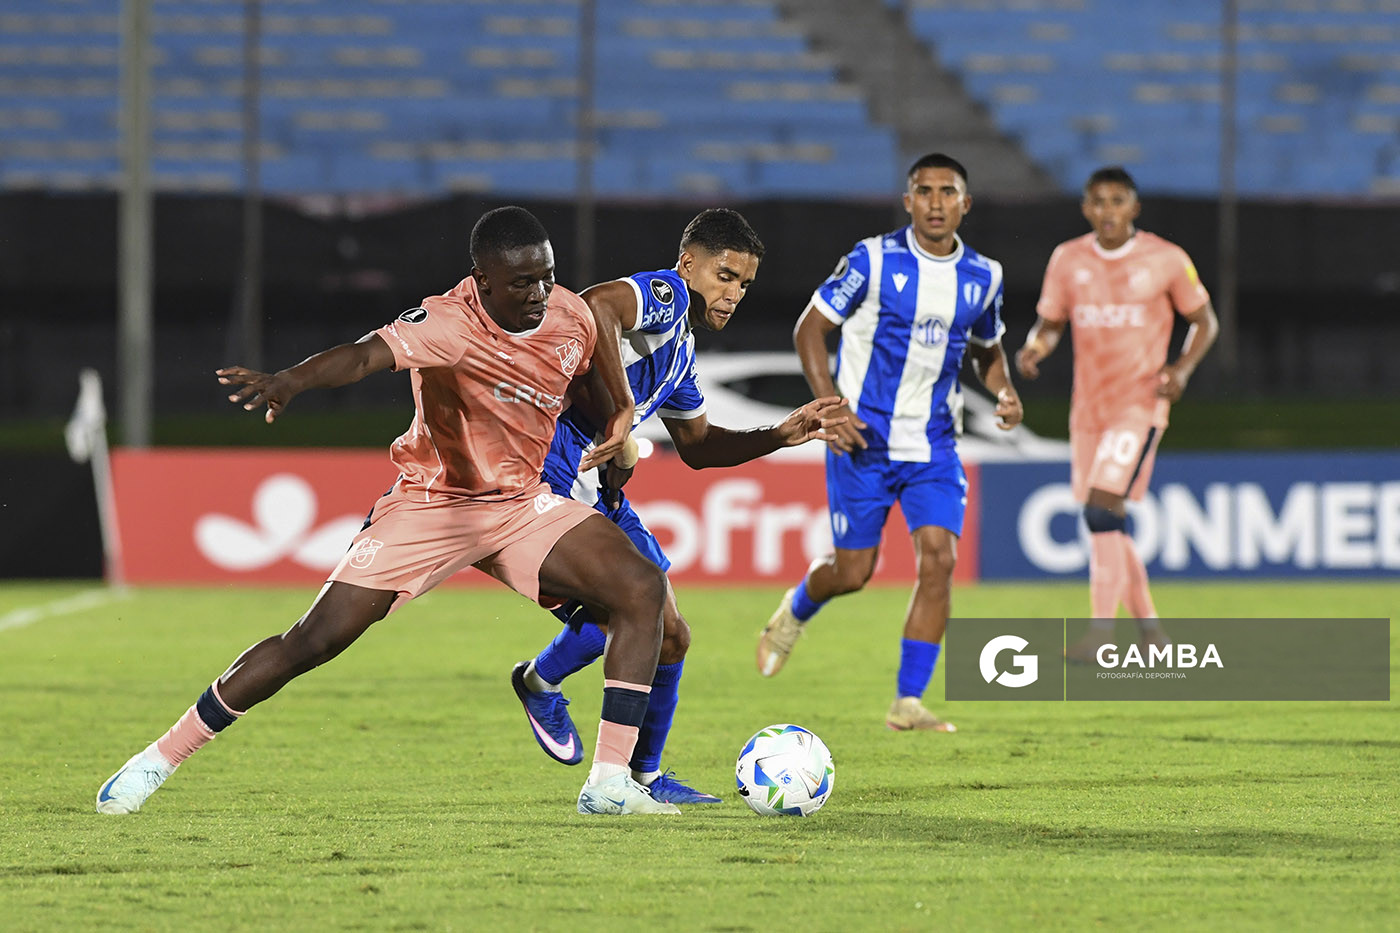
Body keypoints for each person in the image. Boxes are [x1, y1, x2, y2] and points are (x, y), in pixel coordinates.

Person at [96, 206, 682, 817]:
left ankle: (609, 785)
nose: (539, 294)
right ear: (481, 280)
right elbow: (361, 356)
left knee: (640, 586)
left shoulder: (568, 313)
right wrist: (291, 381)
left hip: (517, 503)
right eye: (521, 283)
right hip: (432, 507)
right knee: (313, 640)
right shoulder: (447, 323)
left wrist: (618, 414)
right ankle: (156, 760)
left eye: (546, 276)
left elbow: (591, 371)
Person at [509, 208, 845, 801]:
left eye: (744, 284)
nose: (734, 293)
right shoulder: (663, 295)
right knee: (625, 613)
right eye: (724, 276)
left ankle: (644, 776)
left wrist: (779, 435)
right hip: (549, 479)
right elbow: (596, 307)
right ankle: (541, 686)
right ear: (689, 264)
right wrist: (619, 405)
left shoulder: (681, 355)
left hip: (602, 491)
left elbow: (697, 446)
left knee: (670, 636)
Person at [755, 153, 1024, 732]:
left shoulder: (985, 276)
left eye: (946, 191)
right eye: (923, 191)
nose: (934, 202)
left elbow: (986, 349)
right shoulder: (872, 259)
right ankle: (797, 606)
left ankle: (907, 702)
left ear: (965, 203)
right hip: (863, 442)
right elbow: (811, 327)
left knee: (939, 561)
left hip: (934, 444)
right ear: (908, 201)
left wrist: (1004, 390)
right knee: (854, 574)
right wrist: (831, 408)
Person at [1015, 166, 1218, 660]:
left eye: (1117, 201)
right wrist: (1034, 348)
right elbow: (1050, 323)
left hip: (1139, 406)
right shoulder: (1068, 259)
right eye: (1099, 202)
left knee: (1099, 508)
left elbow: (1203, 321)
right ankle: (1152, 633)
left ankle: (1100, 634)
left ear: (1134, 207)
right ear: (1086, 208)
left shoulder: (1166, 259)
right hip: (1088, 411)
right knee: (1107, 519)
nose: (1108, 211)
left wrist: (1182, 370)